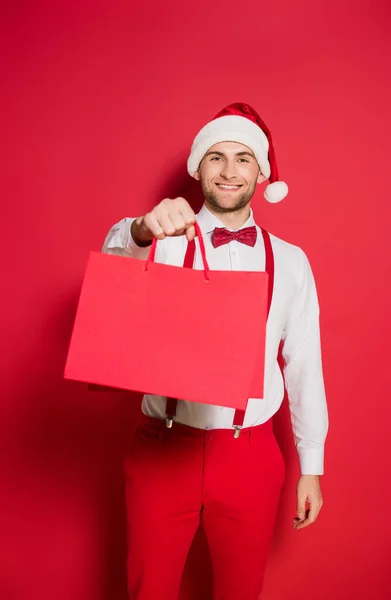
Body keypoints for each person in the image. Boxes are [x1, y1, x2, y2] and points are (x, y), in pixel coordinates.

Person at [102, 102, 329, 600]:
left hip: (248, 454)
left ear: (262, 173)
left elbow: (304, 366)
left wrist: (311, 465)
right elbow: (114, 267)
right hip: (164, 447)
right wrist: (141, 229)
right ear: (198, 167)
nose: (229, 171)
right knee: (149, 591)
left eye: (244, 158)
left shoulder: (291, 262)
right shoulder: (159, 234)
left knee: (241, 592)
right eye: (217, 157)